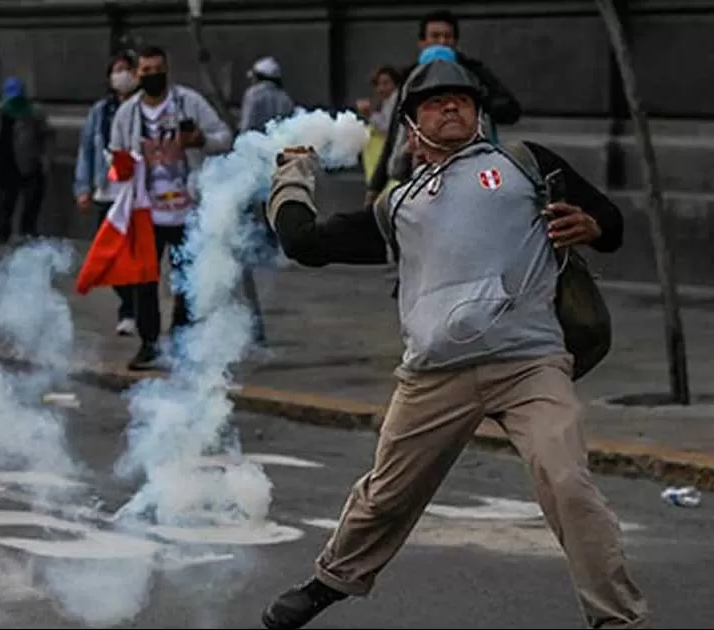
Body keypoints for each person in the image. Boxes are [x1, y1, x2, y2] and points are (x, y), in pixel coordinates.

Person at [259, 60, 646, 630]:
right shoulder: (399, 205)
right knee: (385, 496)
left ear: (478, 112)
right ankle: (330, 581)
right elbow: (306, 245)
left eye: (462, 100)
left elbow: (611, 223)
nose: (451, 107)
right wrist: (292, 176)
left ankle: (618, 620)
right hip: (434, 375)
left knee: (568, 483)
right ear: (411, 127)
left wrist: (589, 224)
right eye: (436, 102)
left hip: (529, 363)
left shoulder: (524, 163)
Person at [107, 44, 232, 370]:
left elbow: (225, 137)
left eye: (157, 69)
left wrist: (200, 140)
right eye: (145, 71)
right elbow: (115, 152)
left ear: (167, 69)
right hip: (145, 210)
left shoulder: (189, 102)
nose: (152, 76)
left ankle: (182, 340)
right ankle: (149, 343)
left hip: (187, 207)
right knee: (144, 280)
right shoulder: (127, 113)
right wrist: (121, 171)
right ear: (137, 75)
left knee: (186, 278)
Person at [366, 9, 521, 203]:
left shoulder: (473, 73)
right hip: (421, 173)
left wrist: (479, 102)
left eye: (447, 37)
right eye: (435, 36)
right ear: (422, 43)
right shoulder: (411, 78)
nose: (441, 42)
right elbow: (395, 132)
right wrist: (375, 186)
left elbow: (510, 110)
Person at [74, 51, 139, 337]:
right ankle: (128, 303)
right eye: (117, 70)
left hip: (135, 194)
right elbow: (87, 148)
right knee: (110, 257)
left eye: (127, 69)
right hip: (106, 191)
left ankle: (133, 312)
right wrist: (83, 187)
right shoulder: (101, 111)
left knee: (135, 256)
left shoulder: (142, 108)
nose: (122, 75)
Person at [237, 55, 295, 346]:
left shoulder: (253, 95)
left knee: (254, 209)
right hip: (279, 160)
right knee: (276, 203)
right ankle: (277, 244)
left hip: (257, 159)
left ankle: (260, 245)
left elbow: (247, 129)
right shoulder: (284, 98)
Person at [0, 76, 53, 243]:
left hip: (29, 164)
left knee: (31, 203)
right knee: (4, 205)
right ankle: (3, 234)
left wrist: (45, 159)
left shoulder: (34, 113)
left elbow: (48, 136)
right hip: (3, 165)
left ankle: (27, 233)